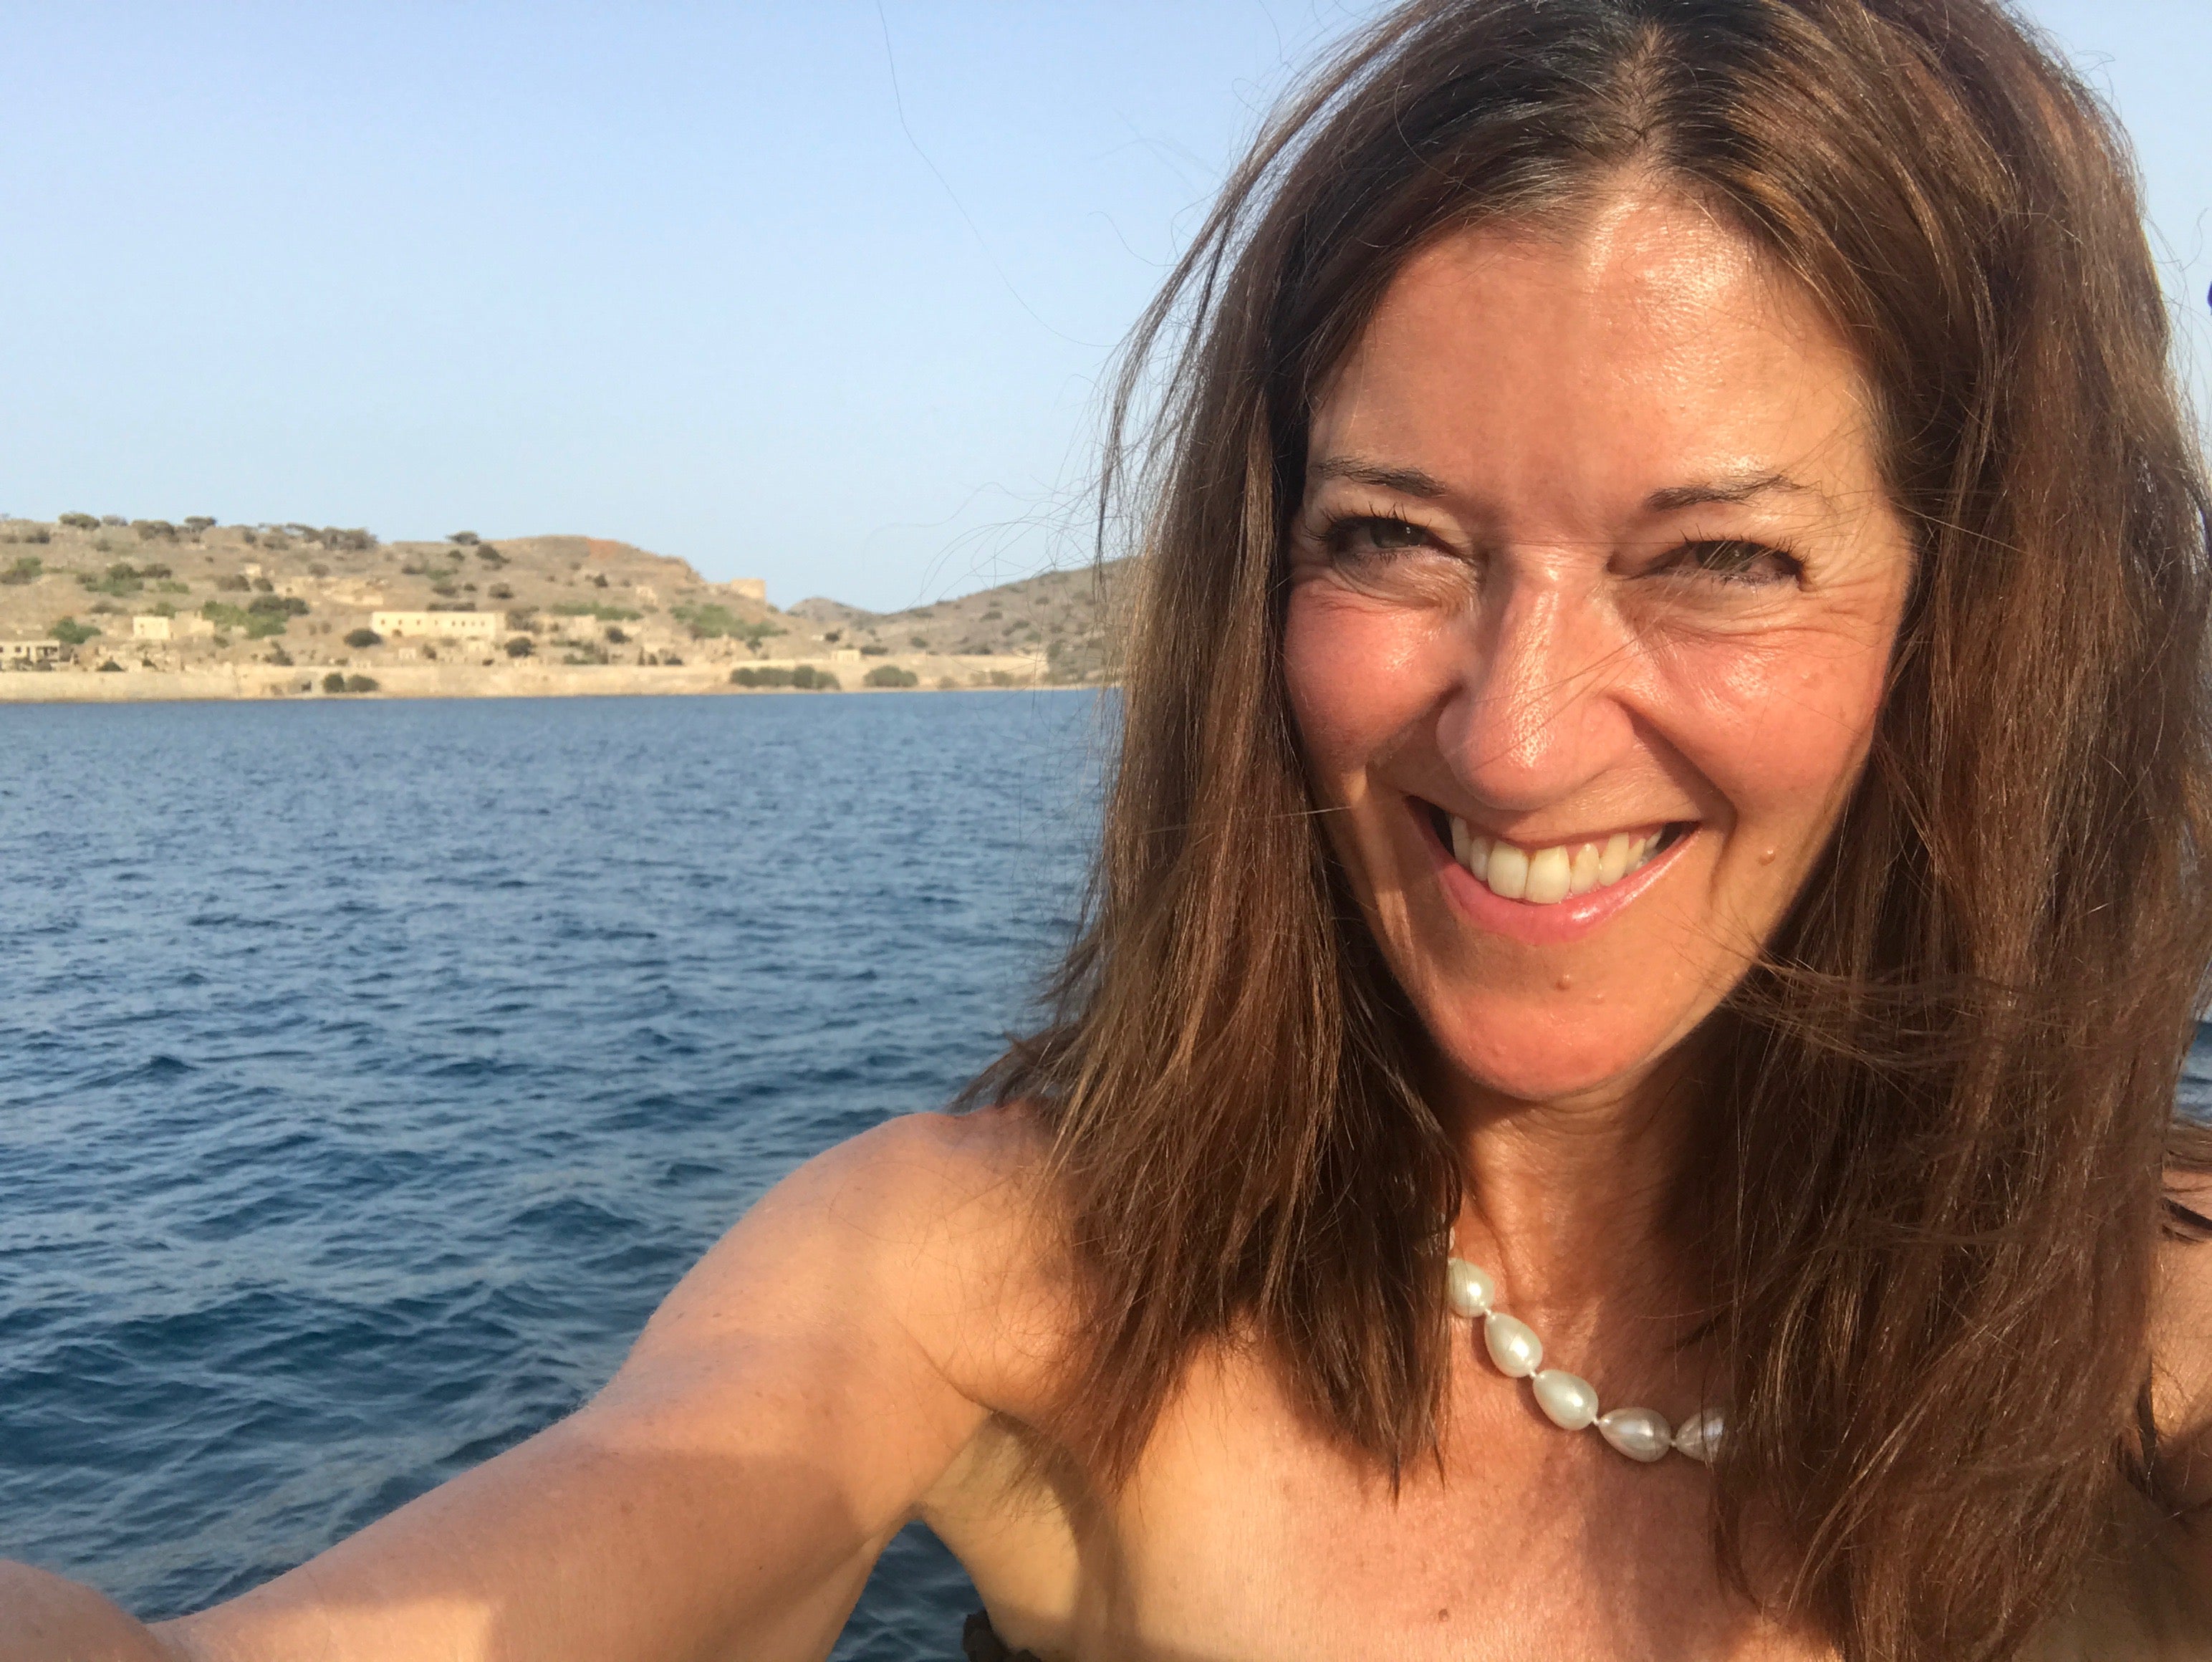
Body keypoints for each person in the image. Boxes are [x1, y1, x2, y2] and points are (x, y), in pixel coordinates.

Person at [10, 0, 2212, 1656]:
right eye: (1395, 539)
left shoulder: (2149, 1353)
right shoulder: (1009, 1279)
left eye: (1720, 558)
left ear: (1987, 630)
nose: (1520, 738)